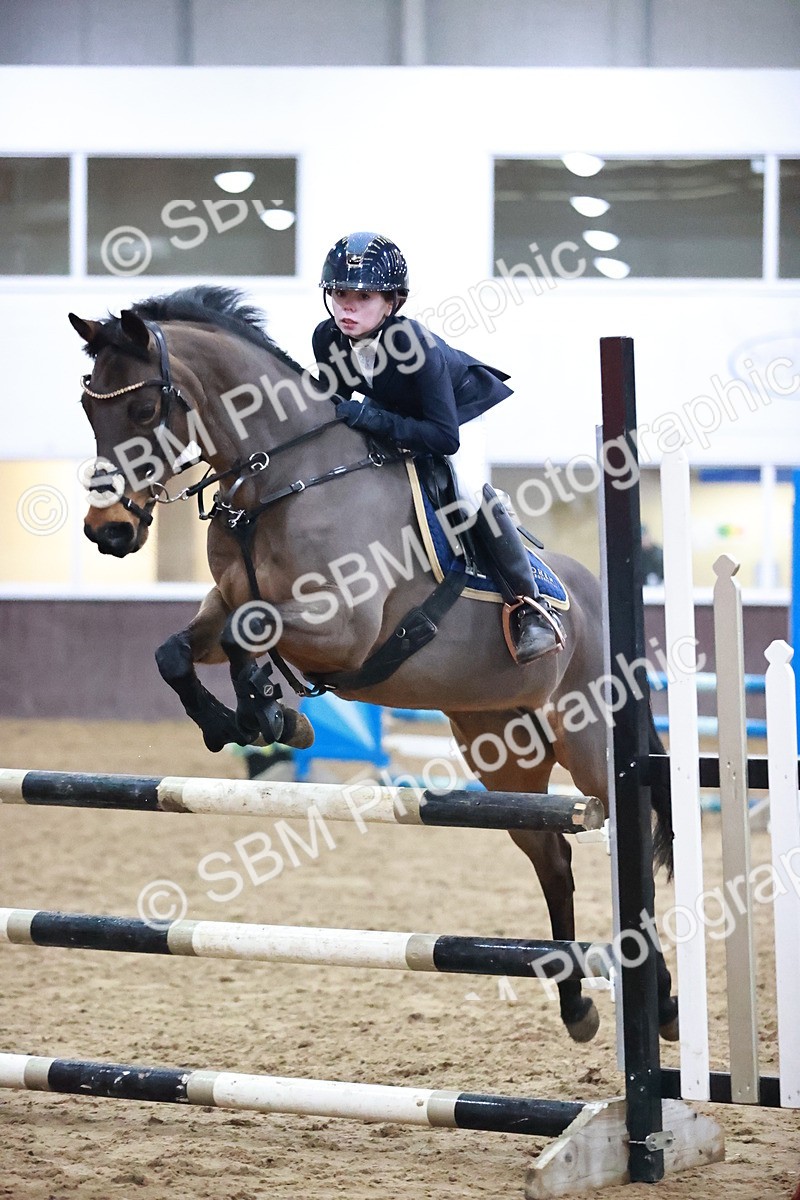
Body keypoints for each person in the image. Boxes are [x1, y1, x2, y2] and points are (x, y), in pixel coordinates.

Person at [313, 230, 564, 664]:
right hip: (394, 412)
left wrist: (370, 418)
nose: (346, 307)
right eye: (338, 293)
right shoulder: (327, 338)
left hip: (456, 415)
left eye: (362, 296)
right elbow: (333, 405)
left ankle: (529, 609)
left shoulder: (415, 343)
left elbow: (444, 437)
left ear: (391, 302)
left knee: (468, 495)